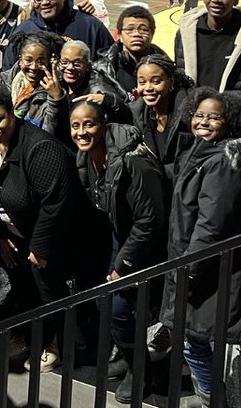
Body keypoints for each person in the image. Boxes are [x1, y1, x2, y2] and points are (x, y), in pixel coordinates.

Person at [0, 82, 101, 372]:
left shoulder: (41, 148)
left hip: (55, 239)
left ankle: (58, 347)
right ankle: (35, 338)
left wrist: (40, 246)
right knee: (26, 292)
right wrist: (0, 236)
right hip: (17, 237)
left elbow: (55, 204)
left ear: (12, 114)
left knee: (51, 294)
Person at [162, 87, 241, 404]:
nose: (204, 122)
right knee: (193, 338)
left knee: (198, 341)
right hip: (195, 267)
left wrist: (188, 272)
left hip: (208, 272)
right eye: (199, 115)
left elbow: (211, 225)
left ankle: (210, 398)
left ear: (229, 122)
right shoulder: (199, 151)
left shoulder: (222, 163)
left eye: (214, 117)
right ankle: (210, 396)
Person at [69, 101, 168, 402]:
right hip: (120, 234)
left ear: (103, 124)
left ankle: (142, 371)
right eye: (76, 126)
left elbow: (150, 221)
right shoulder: (85, 158)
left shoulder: (133, 160)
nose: (82, 132)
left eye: (89, 124)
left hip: (147, 241)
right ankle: (132, 354)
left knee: (118, 306)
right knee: (108, 305)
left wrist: (121, 266)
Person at [14, 0, 116, 58]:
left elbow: (113, 63)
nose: (44, 2)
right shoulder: (24, 32)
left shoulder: (90, 26)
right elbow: (10, 73)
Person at [129, 54, 195, 179]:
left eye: (156, 81)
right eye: (142, 82)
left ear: (171, 82)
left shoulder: (190, 111)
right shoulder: (137, 112)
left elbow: (194, 158)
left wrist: (161, 172)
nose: (148, 88)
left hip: (184, 185)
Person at [94, 6, 163, 97]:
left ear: (152, 34)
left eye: (143, 30)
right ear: (120, 35)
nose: (137, 34)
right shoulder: (101, 70)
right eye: (130, 29)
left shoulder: (166, 68)